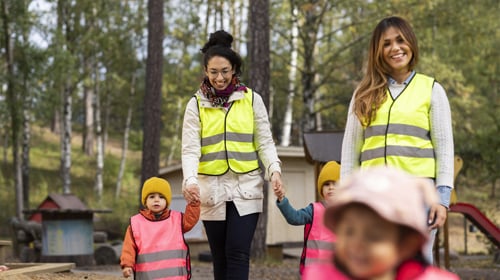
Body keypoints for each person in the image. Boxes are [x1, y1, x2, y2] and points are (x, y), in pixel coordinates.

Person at [340, 16, 454, 264]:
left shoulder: (432, 90)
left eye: (400, 40)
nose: (395, 48)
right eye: (387, 43)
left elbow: (445, 150)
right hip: (372, 197)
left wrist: (442, 200)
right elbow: (350, 153)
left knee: (414, 265)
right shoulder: (363, 93)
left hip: (419, 196)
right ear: (378, 51)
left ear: (411, 44)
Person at [181, 30, 283, 280]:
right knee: (220, 257)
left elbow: (265, 141)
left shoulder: (251, 100)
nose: (219, 77)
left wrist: (274, 169)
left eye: (225, 71)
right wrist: (189, 180)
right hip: (211, 188)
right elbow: (191, 148)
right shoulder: (195, 104)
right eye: (213, 72)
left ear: (235, 69)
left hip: (245, 187)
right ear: (206, 70)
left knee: (237, 252)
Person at [303, 166, 459, 280]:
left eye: (373, 237)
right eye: (348, 231)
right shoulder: (322, 276)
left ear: (406, 245)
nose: (356, 244)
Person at [120, 177, 200, 279]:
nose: (156, 200)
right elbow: (128, 248)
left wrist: (194, 204)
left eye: (161, 197)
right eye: (152, 197)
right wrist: (127, 265)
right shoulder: (136, 224)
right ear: (145, 201)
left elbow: (191, 219)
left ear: (167, 201)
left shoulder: (177, 220)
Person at [273, 161, 339, 275]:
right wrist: (282, 199)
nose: (331, 188)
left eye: (335, 184)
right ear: (321, 189)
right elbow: (294, 217)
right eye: (327, 184)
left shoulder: (349, 213)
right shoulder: (314, 210)